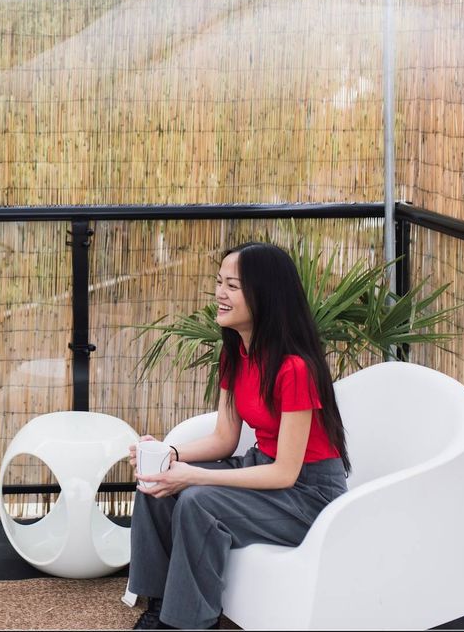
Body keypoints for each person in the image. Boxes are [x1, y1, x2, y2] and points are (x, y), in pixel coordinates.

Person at [125, 242, 351, 630]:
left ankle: (189, 622)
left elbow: (285, 474)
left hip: (308, 496)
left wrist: (196, 476)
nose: (220, 294)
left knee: (198, 500)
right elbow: (225, 439)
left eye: (233, 286)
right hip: (263, 470)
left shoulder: (295, 369)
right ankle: (160, 600)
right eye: (219, 282)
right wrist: (170, 454)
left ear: (264, 295)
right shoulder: (235, 353)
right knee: (156, 483)